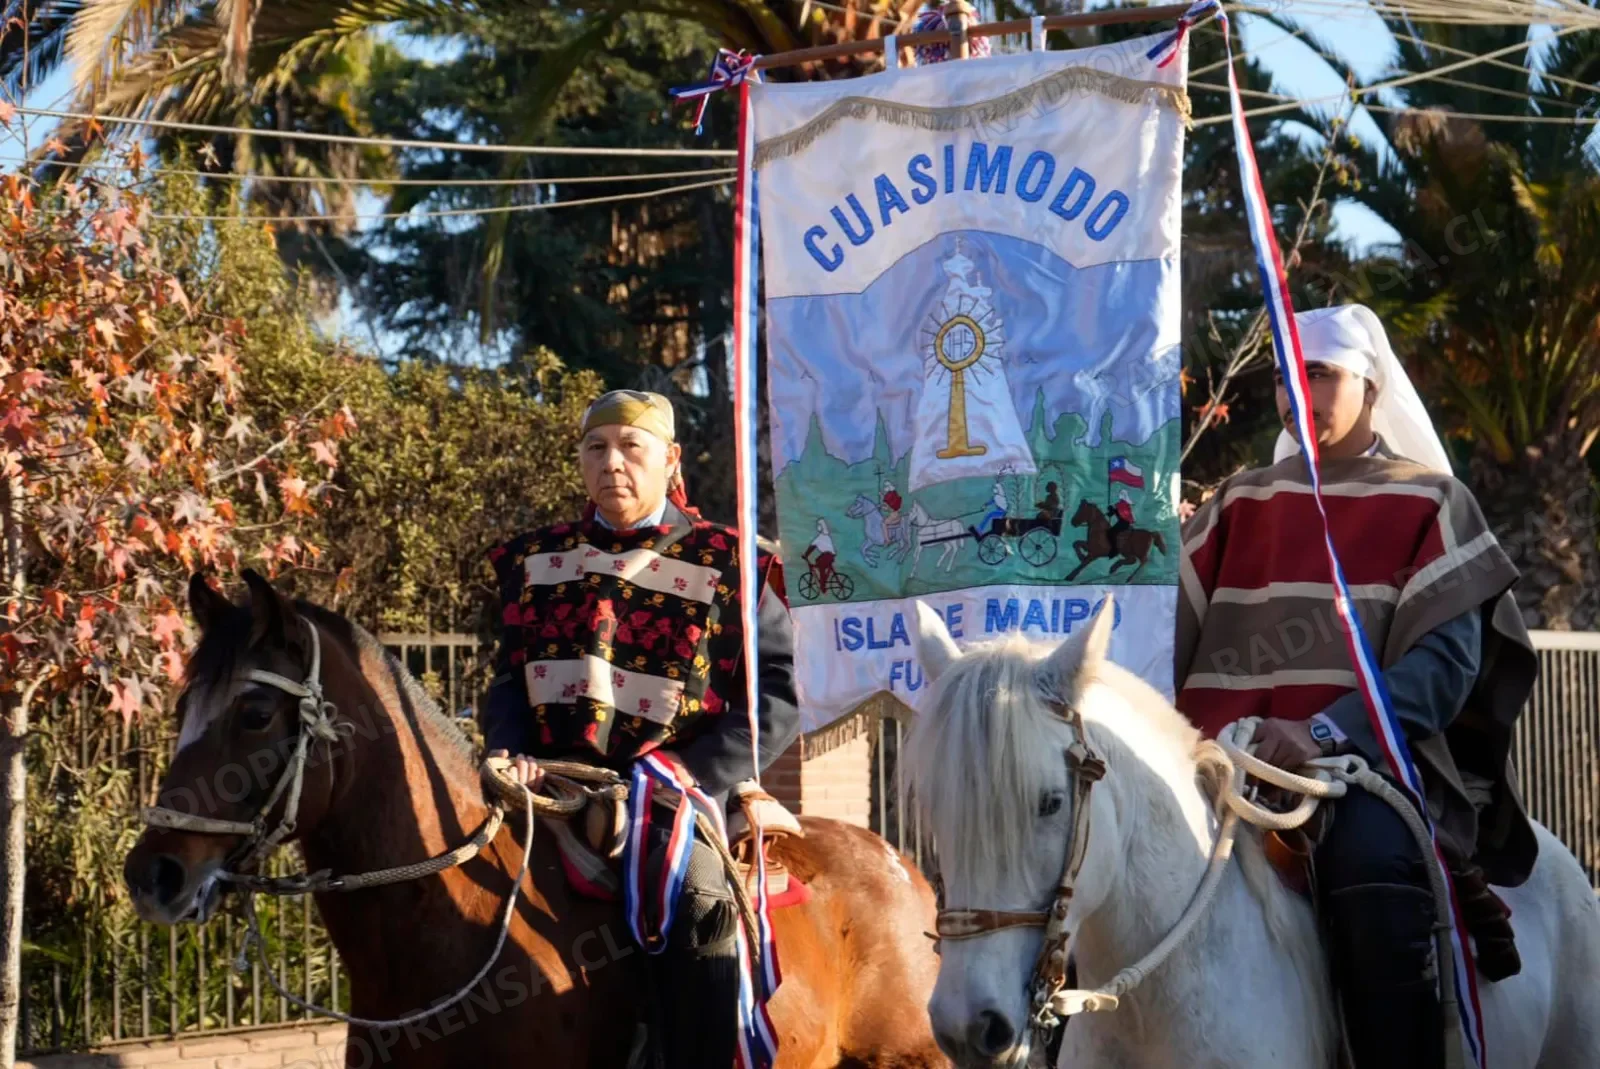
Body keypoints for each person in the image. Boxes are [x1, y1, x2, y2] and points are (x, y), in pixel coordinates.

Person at [1174, 305, 1538, 1069]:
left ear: (1370, 386)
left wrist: (1321, 733)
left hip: (1361, 776)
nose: (1294, 393)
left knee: (1370, 865)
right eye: (1282, 377)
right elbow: (1157, 634)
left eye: (1318, 374)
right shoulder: (1237, 502)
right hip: (1215, 769)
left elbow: (1441, 674)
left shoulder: (1433, 502)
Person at [483, 389, 801, 1069]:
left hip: (676, 794)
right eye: (596, 448)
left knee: (697, 904)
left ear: (670, 459)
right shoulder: (534, 562)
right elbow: (510, 679)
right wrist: (508, 750)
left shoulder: (733, 562)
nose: (613, 463)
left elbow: (777, 690)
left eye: (632, 447)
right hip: (552, 788)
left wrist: (694, 776)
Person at [803, 518, 837, 592]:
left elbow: (811, 547)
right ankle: (824, 579)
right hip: (830, 555)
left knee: (821, 566)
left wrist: (805, 555)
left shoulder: (820, 537)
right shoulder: (825, 536)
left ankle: (822, 585)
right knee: (818, 561)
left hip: (827, 555)